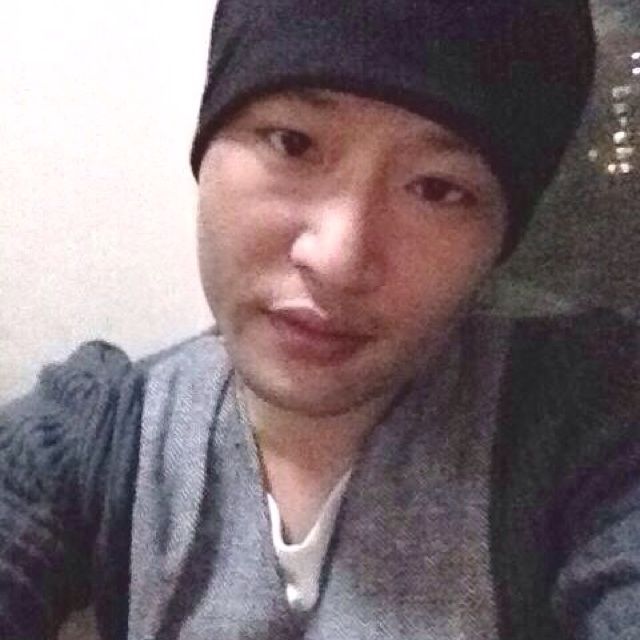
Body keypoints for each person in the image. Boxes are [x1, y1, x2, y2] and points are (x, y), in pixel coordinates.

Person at [1, 1, 639, 639]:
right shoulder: (97, 434)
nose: (337, 260)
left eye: (438, 188)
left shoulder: (589, 428)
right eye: (293, 143)